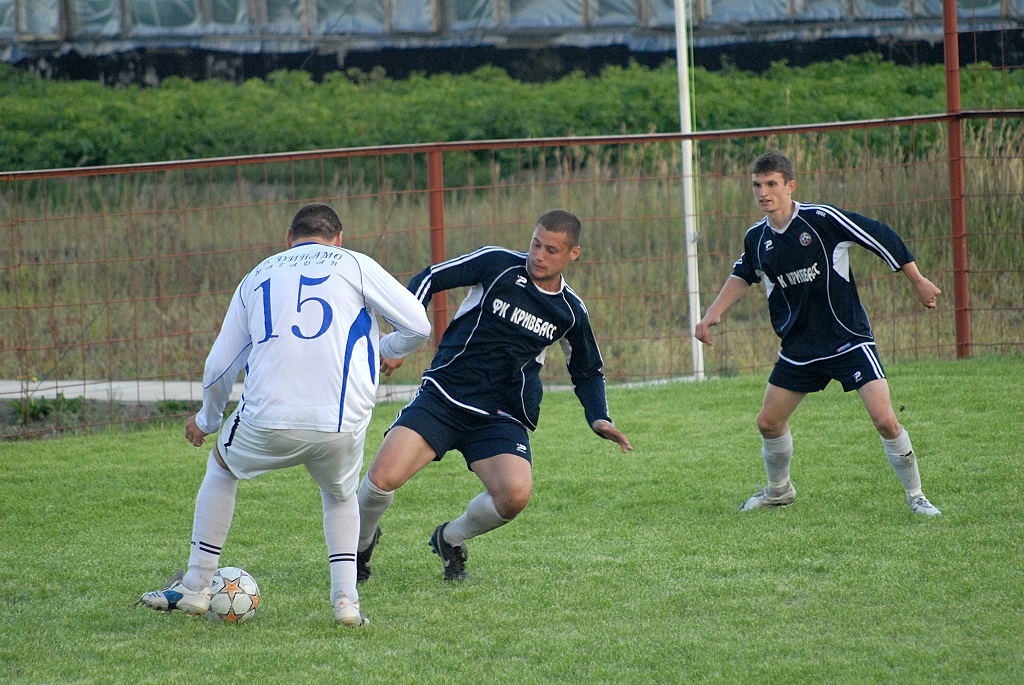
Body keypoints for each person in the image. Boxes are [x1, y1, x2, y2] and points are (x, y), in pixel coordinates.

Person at [135, 202, 431, 626]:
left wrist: (207, 421)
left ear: (288, 239)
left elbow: (220, 364)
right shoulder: (355, 264)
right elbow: (419, 326)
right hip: (340, 422)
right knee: (340, 495)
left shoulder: (257, 274)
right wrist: (385, 350)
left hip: (266, 417)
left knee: (222, 467)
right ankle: (346, 603)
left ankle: (197, 586)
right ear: (339, 239)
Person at [355, 209, 633, 583]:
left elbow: (587, 371)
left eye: (552, 250)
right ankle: (359, 545)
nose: (538, 255)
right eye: (536, 244)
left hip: (501, 415)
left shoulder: (570, 311)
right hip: (444, 396)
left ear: (573, 254)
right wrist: (402, 337)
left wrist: (599, 417)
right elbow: (431, 278)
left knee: (515, 495)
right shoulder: (497, 265)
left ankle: (449, 538)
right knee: (379, 482)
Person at [694, 151, 943, 516]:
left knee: (886, 420)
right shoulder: (757, 238)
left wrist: (917, 280)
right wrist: (712, 313)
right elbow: (743, 273)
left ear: (790, 186)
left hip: (847, 339)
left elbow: (881, 235)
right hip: (800, 347)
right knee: (768, 422)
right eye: (757, 185)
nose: (763, 192)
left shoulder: (822, 220)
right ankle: (779, 491)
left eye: (771, 184)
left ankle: (917, 496)